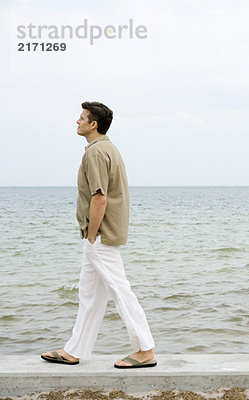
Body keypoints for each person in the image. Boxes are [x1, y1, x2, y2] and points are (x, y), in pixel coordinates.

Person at [41, 102, 156, 369]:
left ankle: (144, 349)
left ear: (93, 124)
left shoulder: (95, 153)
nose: (77, 121)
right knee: (90, 295)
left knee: (120, 290)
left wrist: (92, 236)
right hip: (100, 236)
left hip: (99, 236)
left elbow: (100, 197)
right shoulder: (108, 148)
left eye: (81, 118)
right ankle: (75, 350)